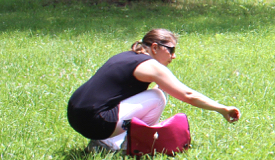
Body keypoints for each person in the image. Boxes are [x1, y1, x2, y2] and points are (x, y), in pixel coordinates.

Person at [67, 29, 240, 152]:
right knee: (158, 96)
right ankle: (126, 145)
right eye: (171, 50)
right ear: (155, 47)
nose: (174, 56)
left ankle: (105, 141)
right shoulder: (150, 65)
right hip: (95, 121)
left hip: (76, 114)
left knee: (156, 91)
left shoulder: (128, 56)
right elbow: (188, 95)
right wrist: (221, 108)